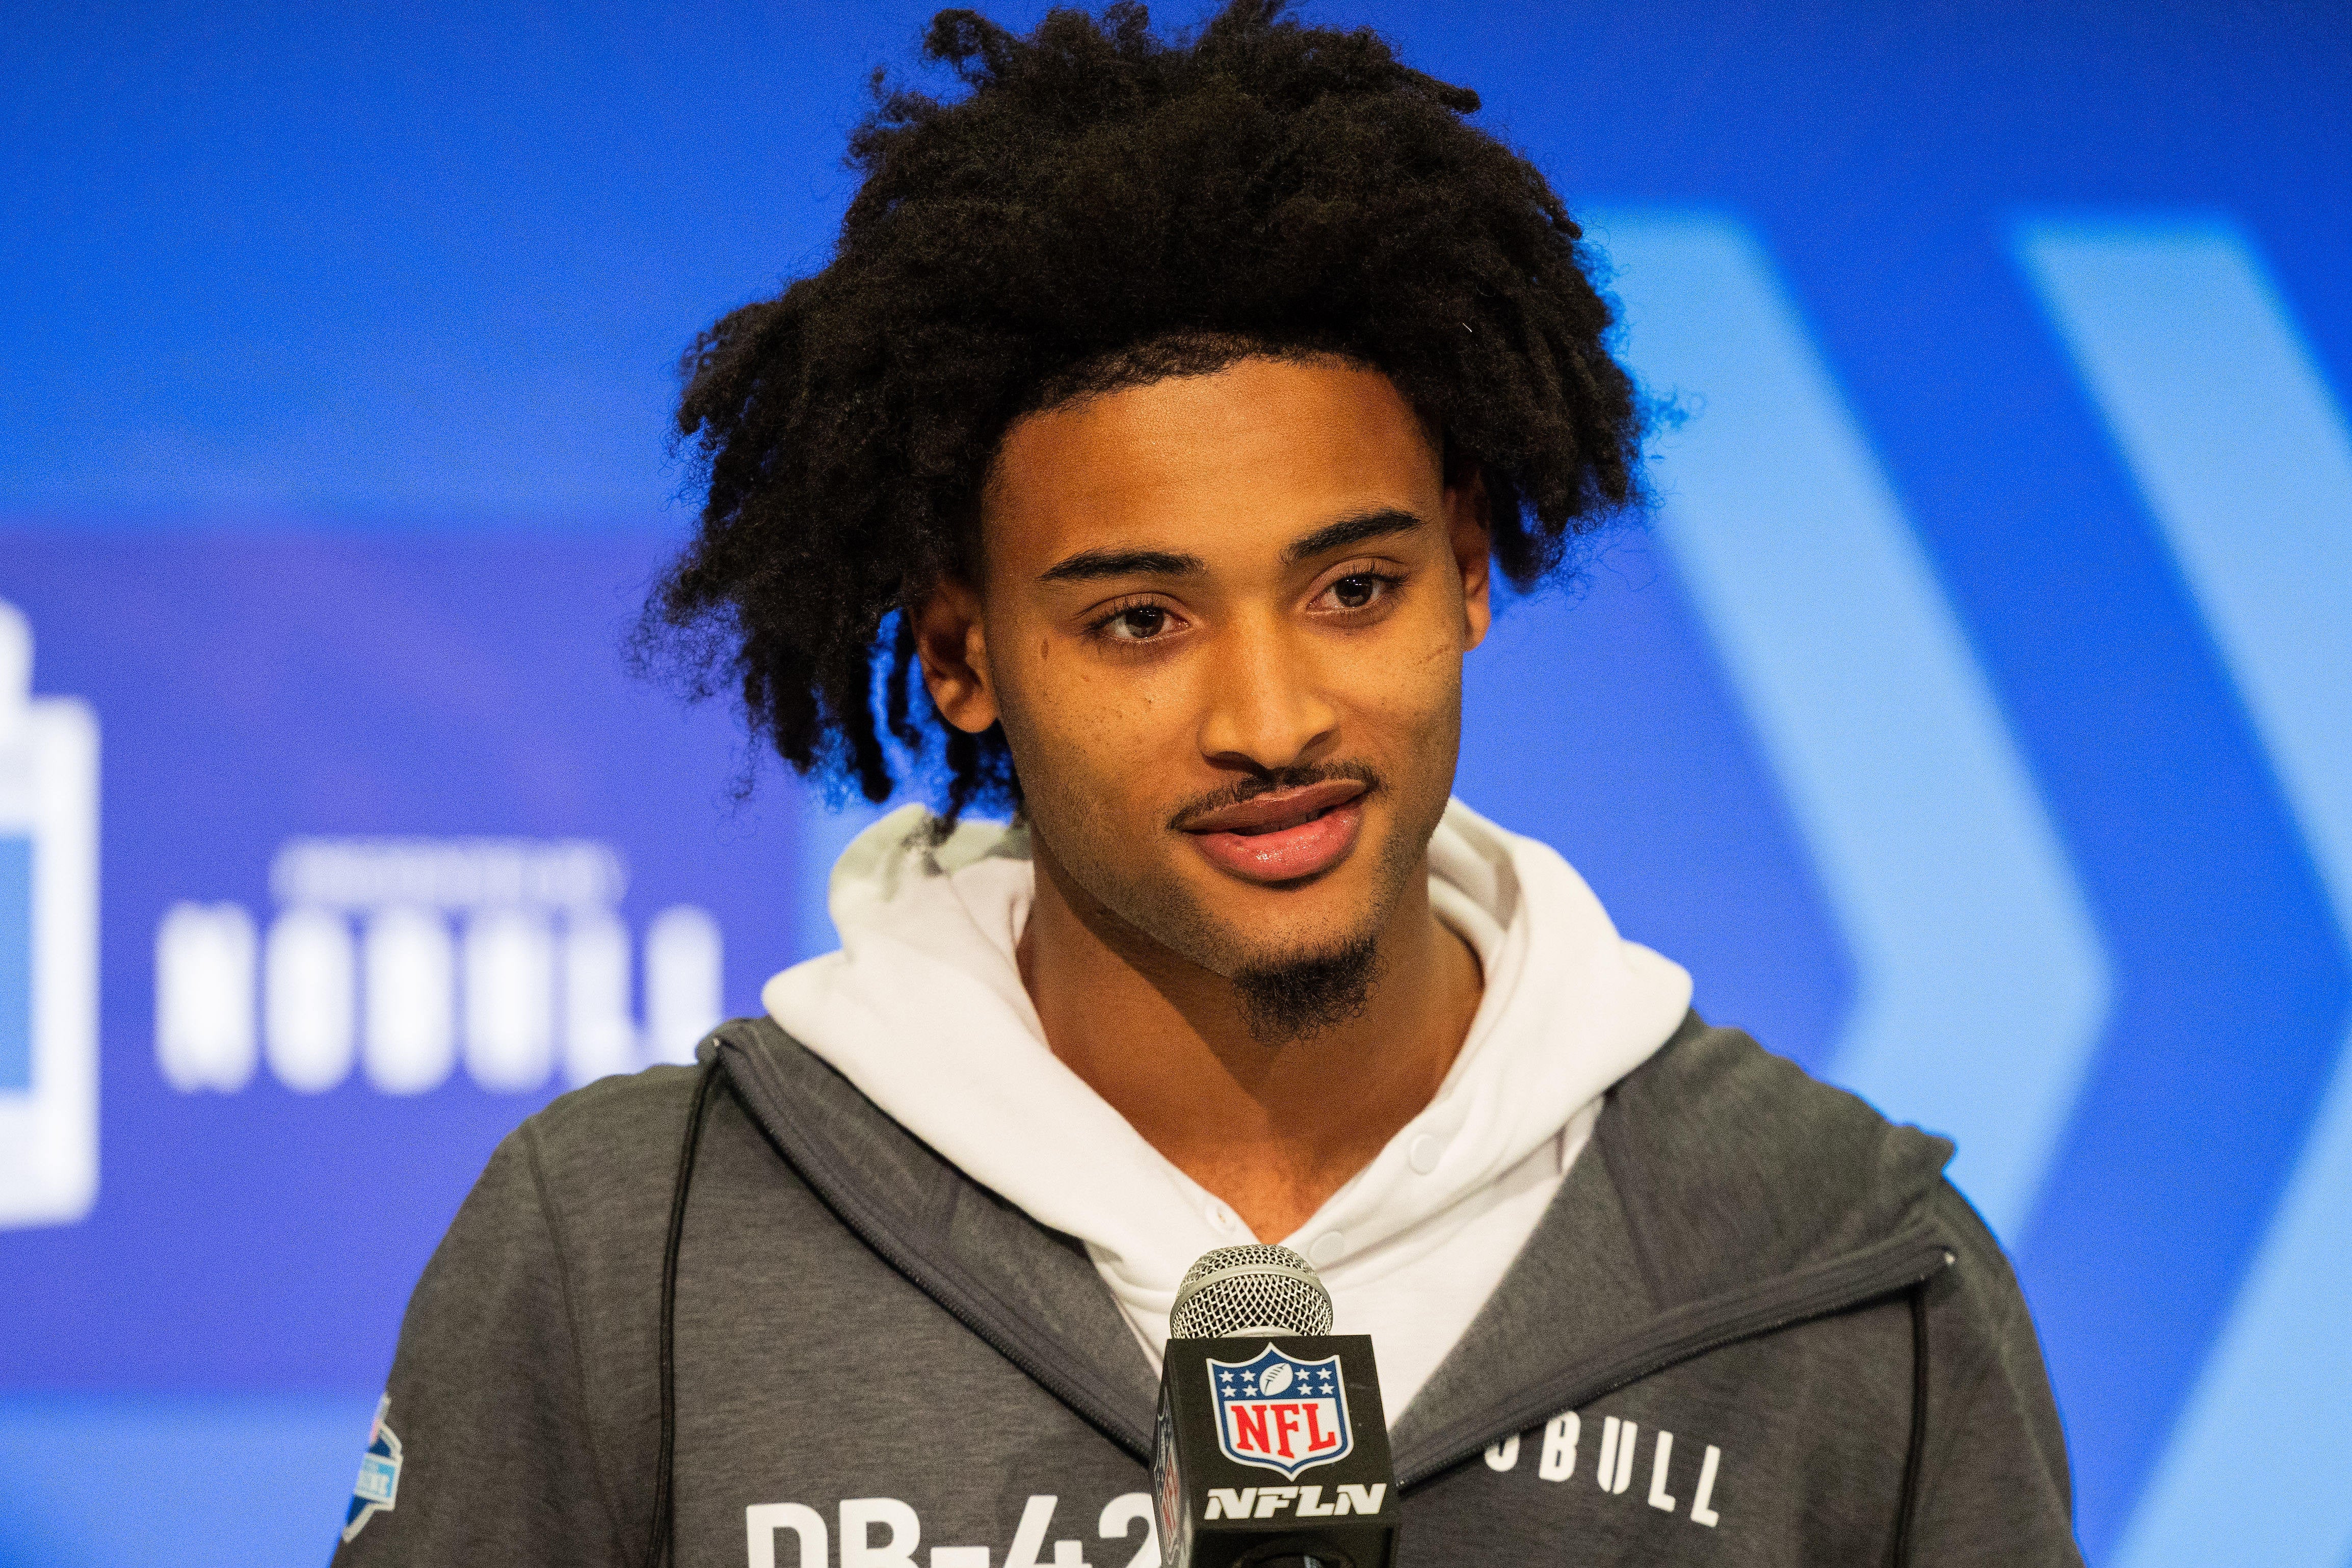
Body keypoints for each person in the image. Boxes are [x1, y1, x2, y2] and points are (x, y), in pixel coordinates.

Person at [332, 4, 2080, 1563]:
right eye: (1143, 618)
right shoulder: (633, 1247)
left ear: (1472, 569)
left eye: (1354, 590)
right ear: (963, 655)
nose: (1270, 716)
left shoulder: (1849, 1266)